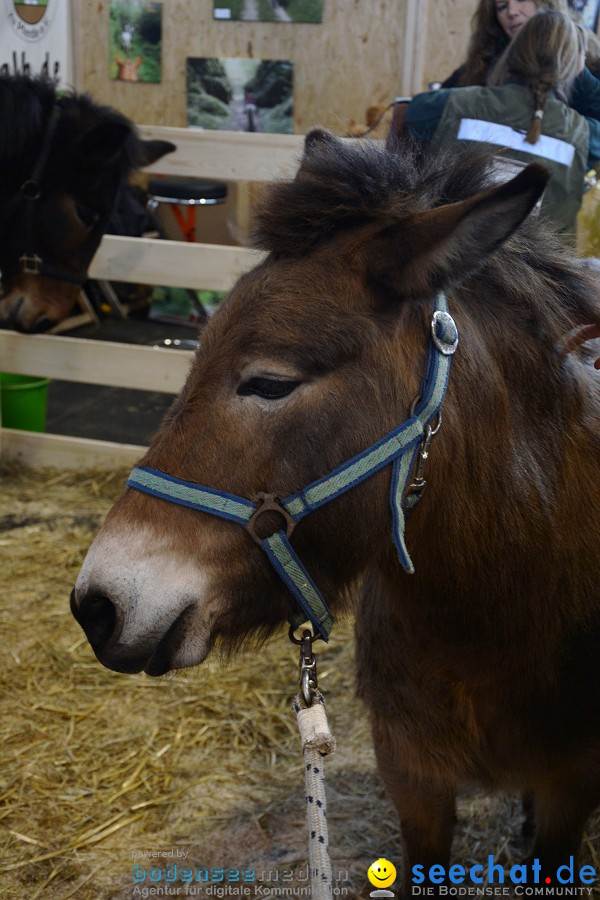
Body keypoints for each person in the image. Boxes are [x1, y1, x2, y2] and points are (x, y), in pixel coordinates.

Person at [405, 10, 600, 243]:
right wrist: (582, 74)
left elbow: (408, 112)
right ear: (572, 67)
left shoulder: (446, 105)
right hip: (535, 276)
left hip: (447, 260)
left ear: (512, 54)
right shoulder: (583, 134)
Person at [442, 0, 600, 121]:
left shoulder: (591, 62)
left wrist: (580, 75)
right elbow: (440, 104)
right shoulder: (482, 64)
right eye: (502, 6)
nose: (511, 12)